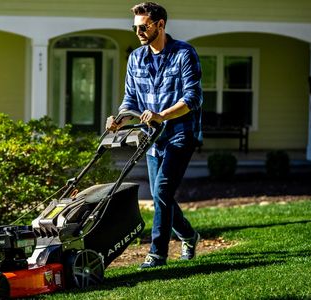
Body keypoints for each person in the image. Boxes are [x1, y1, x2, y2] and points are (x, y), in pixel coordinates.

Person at [106, 2, 203, 269]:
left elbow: (192, 98)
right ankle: (189, 235)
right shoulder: (136, 58)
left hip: (180, 133)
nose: (138, 32)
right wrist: (119, 119)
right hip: (152, 138)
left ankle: (157, 253)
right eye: (135, 27)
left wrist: (162, 115)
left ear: (160, 25)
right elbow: (130, 99)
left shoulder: (184, 53)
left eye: (143, 26)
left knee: (161, 190)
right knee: (164, 195)